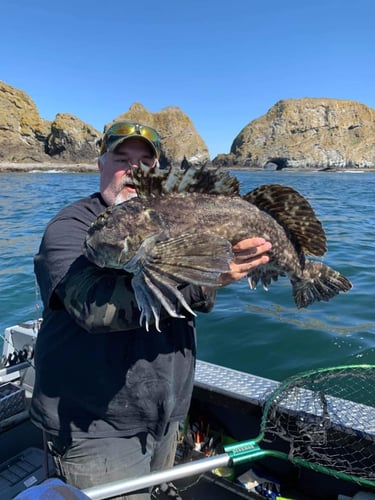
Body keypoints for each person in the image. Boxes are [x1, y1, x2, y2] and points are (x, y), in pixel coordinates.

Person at [30, 121, 272, 499]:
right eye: (122, 158)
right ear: (101, 165)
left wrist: (215, 273)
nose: (134, 169)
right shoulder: (72, 227)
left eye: (146, 160)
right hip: (95, 427)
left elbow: (197, 300)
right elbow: (94, 310)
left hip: (167, 416)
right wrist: (203, 277)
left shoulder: (172, 220)